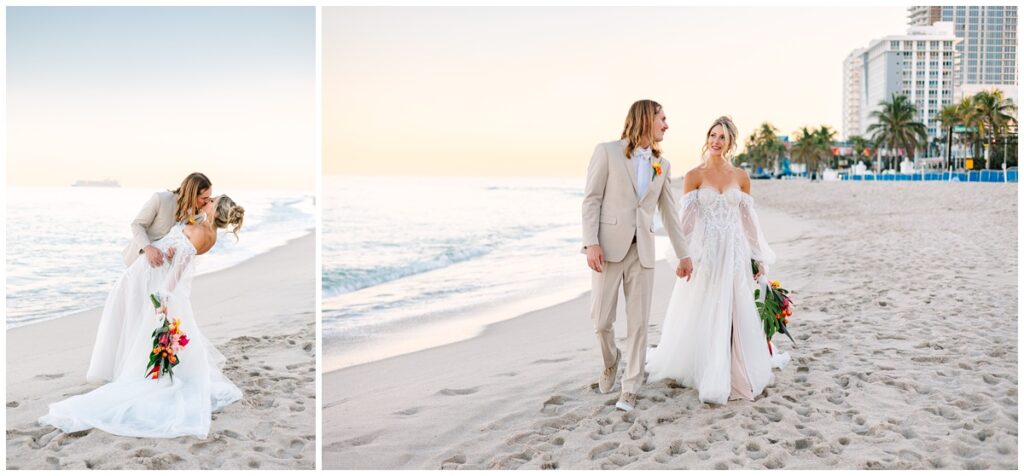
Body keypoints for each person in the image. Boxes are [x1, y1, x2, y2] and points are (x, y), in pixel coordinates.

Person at [40, 195, 246, 438]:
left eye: (212, 200)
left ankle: (145, 375)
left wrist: (164, 295)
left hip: (162, 284)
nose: (208, 199)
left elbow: (181, 266)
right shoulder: (207, 231)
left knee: (149, 332)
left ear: (214, 210)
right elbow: (179, 255)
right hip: (155, 274)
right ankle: (146, 370)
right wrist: (169, 255)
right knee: (152, 334)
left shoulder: (202, 232)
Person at [646, 116, 787, 405]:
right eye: (712, 135)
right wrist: (683, 256)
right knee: (708, 306)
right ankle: (708, 366)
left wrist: (757, 256)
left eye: (722, 137)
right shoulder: (694, 176)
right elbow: (684, 223)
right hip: (708, 253)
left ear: (730, 142)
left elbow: (748, 221)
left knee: (735, 307)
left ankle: (736, 366)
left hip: (734, 252)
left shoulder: (741, 176)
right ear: (707, 137)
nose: (716, 141)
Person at [581, 99, 692, 412]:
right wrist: (591, 242)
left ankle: (630, 388)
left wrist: (683, 255)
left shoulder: (663, 165)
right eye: (663, 119)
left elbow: (670, 214)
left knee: (639, 324)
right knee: (601, 321)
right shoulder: (606, 152)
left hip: (643, 252)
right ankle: (610, 361)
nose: (667, 125)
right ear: (646, 119)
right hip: (608, 249)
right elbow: (591, 200)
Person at [122, 172, 213, 267]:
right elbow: (137, 224)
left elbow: (186, 245)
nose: (207, 201)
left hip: (163, 266)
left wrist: (173, 256)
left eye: (209, 197)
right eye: (204, 198)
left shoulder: (199, 217)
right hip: (137, 261)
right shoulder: (160, 199)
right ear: (191, 194)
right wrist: (148, 248)